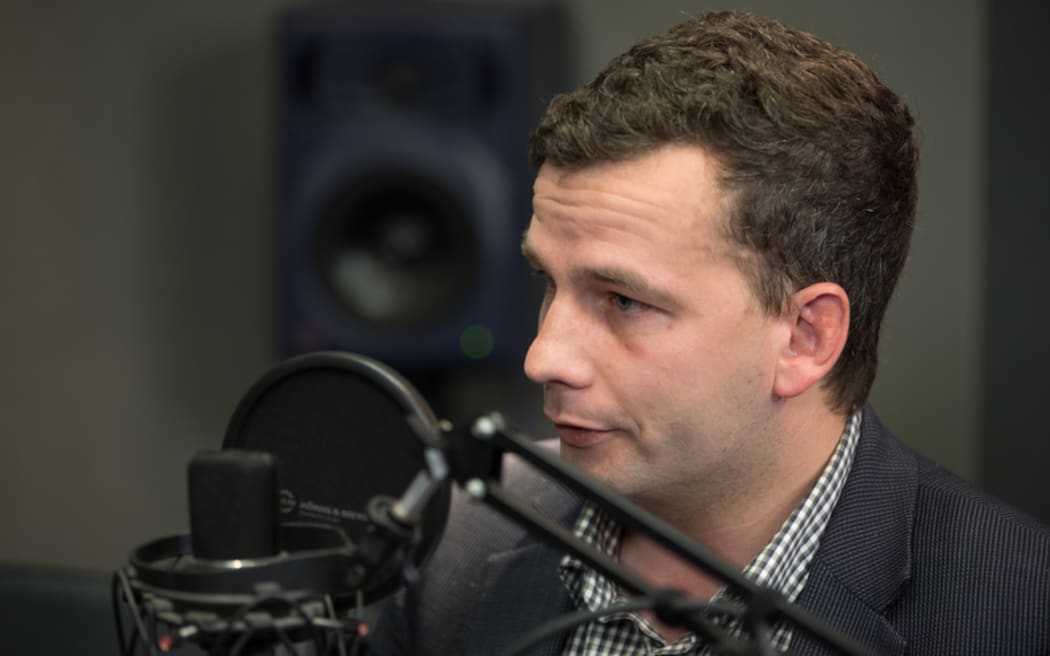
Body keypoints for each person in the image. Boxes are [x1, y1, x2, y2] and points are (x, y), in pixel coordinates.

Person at [367, 10, 1050, 655]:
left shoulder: (1013, 609)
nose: (546, 357)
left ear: (805, 338)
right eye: (551, 282)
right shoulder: (454, 537)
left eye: (625, 301)